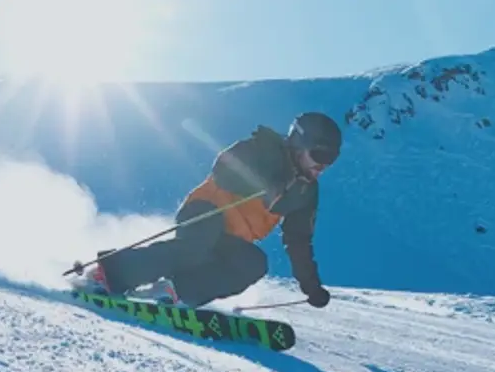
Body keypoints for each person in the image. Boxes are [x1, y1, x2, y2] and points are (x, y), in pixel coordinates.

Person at [92, 112, 341, 308]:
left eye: (331, 159)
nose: (323, 165)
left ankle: (175, 291)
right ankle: (111, 272)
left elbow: (298, 240)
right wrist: (265, 185)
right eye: (319, 154)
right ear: (298, 144)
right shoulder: (264, 149)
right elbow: (223, 170)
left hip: (232, 238)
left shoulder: (306, 192)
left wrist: (311, 287)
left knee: (254, 263)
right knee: (196, 247)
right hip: (206, 211)